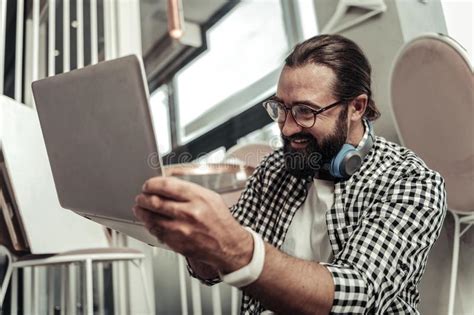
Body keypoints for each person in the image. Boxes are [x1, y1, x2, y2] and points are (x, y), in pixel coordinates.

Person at [132, 34, 447, 314]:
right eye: (280, 108)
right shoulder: (275, 169)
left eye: (305, 111)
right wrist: (196, 242)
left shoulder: (412, 181)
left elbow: (357, 295)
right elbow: (213, 266)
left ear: (356, 107)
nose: (286, 127)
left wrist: (236, 246)